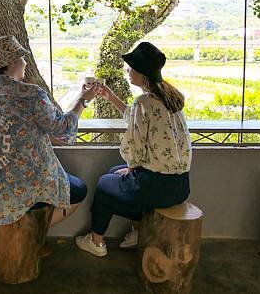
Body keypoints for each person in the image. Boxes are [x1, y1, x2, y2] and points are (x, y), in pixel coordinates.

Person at [0, 35, 97, 265]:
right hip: (26, 182)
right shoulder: (31, 94)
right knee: (77, 190)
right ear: (11, 64)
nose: (25, 63)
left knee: (6, 196)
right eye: (21, 58)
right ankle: (29, 235)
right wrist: (83, 99)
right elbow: (61, 128)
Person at [76, 41, 192, 257]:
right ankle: (138, 232)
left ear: (141, 73)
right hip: (180, 184)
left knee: (104, 184)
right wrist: (110, 97)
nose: (128, 71)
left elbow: (133, 148)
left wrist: (131, 168)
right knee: (114, 173)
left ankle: (96, 242)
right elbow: (135, 117)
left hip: (156, 188)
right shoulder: (169, 96)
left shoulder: (143, 102)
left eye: (130, 67)